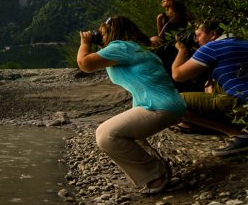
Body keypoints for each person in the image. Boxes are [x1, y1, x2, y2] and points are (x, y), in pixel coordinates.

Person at [77, 16, 186, 194]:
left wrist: (85, 42)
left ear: (113, 32)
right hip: (167, 104)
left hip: (159, 106)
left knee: (105, 134)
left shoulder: (121, 47)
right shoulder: (135, 48)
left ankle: (156, 175)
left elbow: (85, 64)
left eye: (102, 32)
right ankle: (157, 168)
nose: (100, 36)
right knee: (129, 135)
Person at [171, 20, 248, 156]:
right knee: (212, 84)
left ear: (213, 34)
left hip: (244, 106)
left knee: (171, 102)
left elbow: (178, 75)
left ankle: (241, 134)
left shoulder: (212, 47)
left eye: (198, 35)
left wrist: (182, 49)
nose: (196, 40)